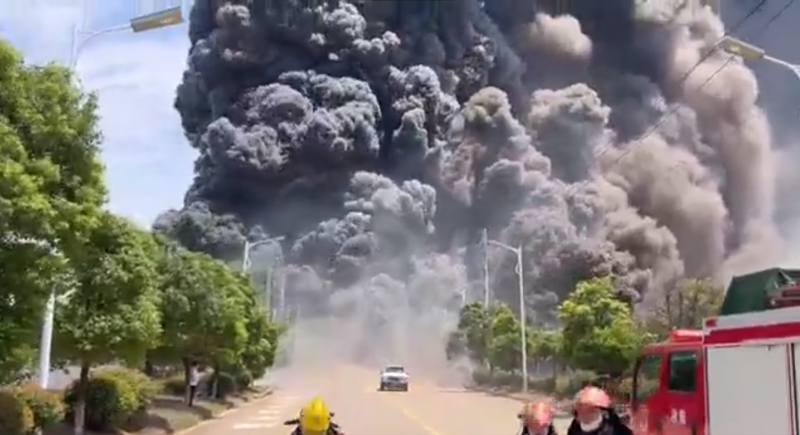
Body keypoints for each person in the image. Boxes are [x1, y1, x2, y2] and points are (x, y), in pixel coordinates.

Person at [567, 386, 632, 435]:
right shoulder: (574, 428)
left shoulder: (617, 431)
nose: (581, 411)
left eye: (587, 407)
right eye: (579, 406)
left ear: (599, 410)